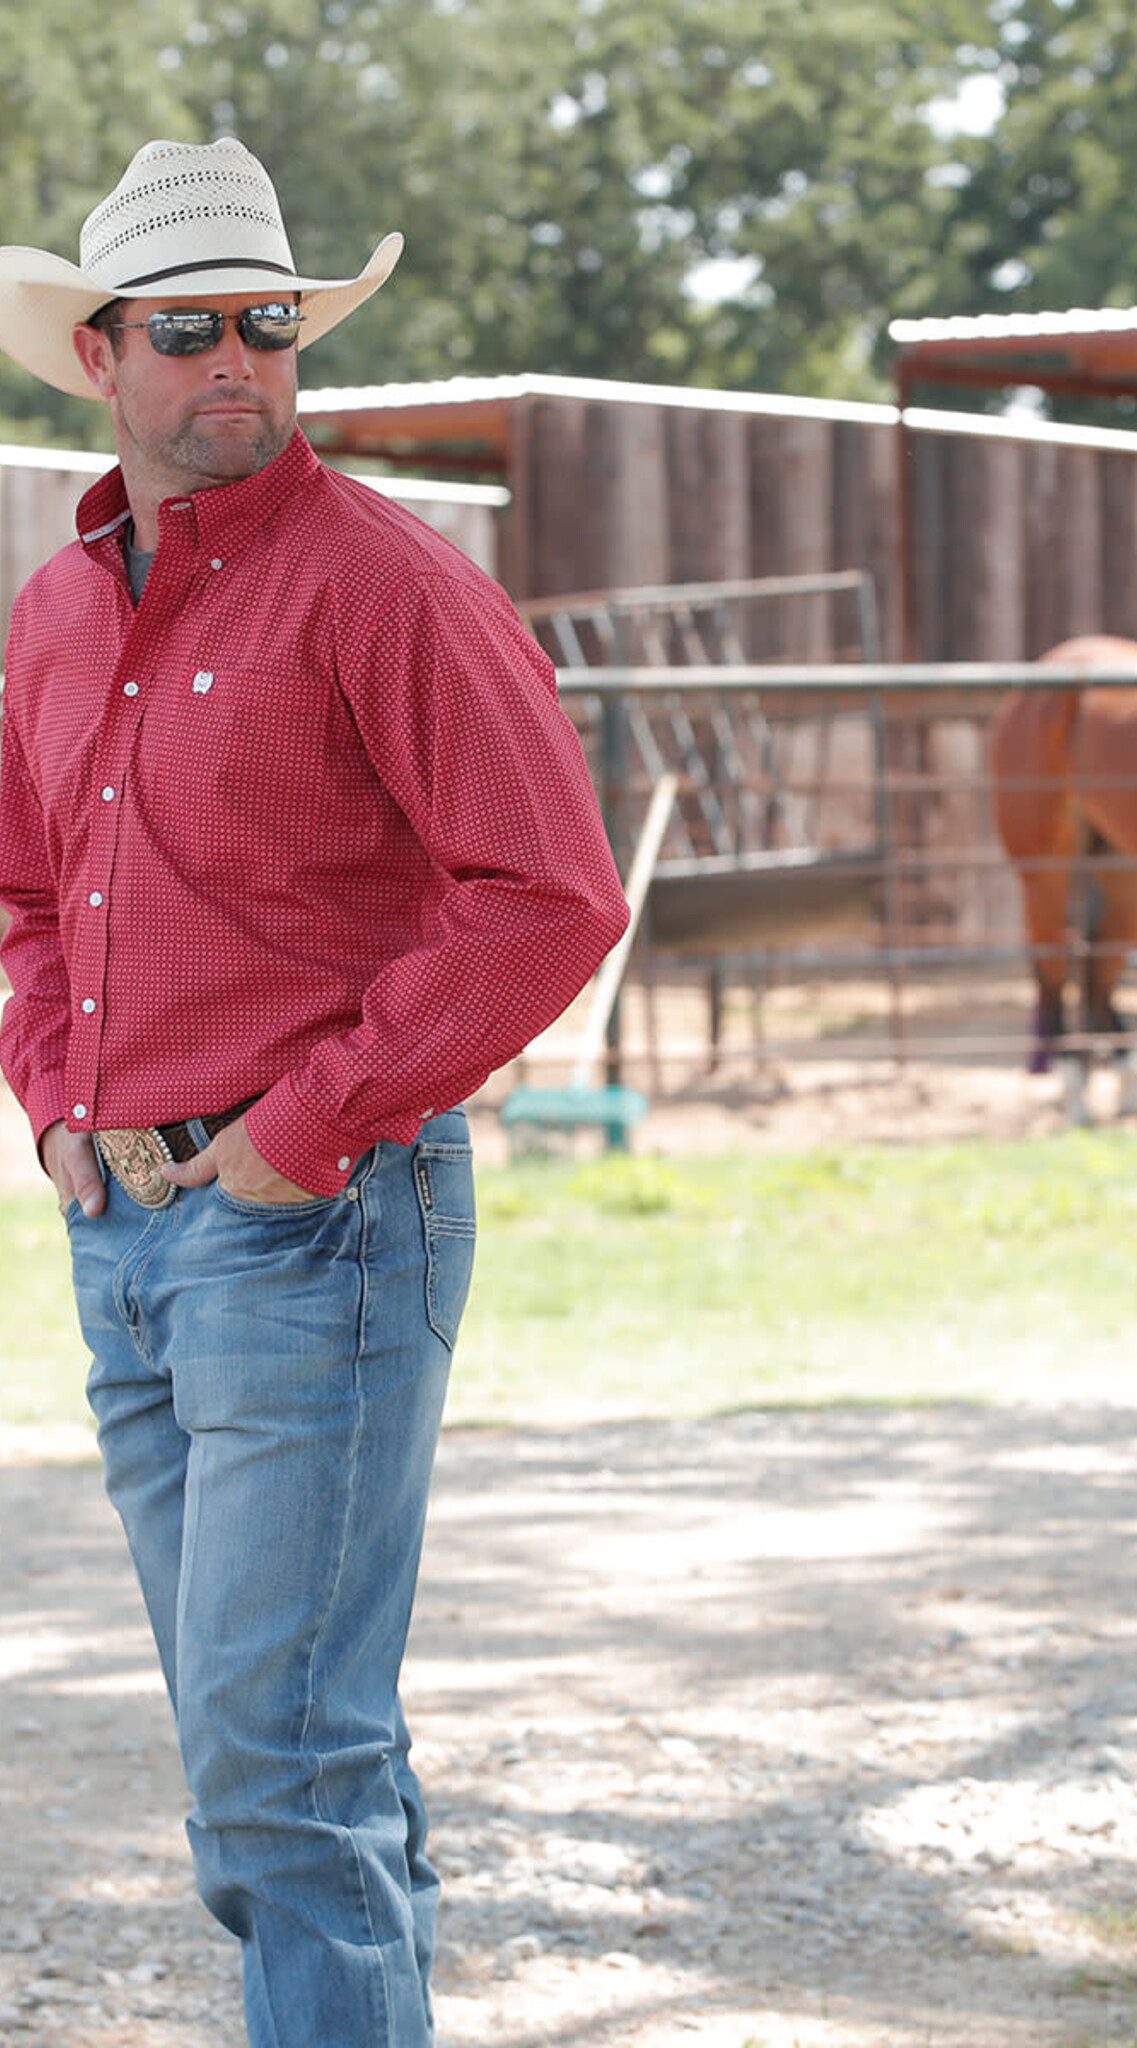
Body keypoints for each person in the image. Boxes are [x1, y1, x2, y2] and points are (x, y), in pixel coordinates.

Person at [0, 137, 630, 2046]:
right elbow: (24, 892)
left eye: (269, 328)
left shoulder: (388, 589)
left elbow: (553, 897)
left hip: (317, 1235)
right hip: (125, 1246)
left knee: (280, 1782)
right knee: (275, 1768)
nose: (237, 367)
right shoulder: (54, 610)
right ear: (102, 354)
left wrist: (301, 1131)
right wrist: (53, 1106)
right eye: (188, 331)